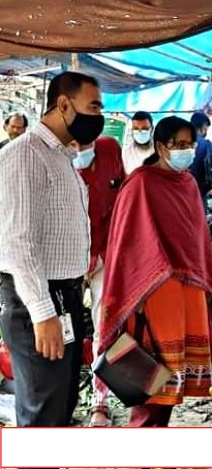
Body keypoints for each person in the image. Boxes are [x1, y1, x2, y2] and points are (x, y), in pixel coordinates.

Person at [97, 116, 212, 427]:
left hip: (188, 290)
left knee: (171, 384)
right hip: (152, 293)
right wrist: (137, 288)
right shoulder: (140, 183)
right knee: (149, 381)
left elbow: (197, 239)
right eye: (178, 145)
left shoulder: (188, 183)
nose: (186, 151)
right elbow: (126, 244)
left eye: (190, 144)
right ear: (161, 146)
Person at [0, 71, 104, 426]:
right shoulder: (25, 154)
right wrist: (43, 314)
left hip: (65, 297)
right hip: (38, 302)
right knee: (43, 409)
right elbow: (16, 243)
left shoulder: (61, 155)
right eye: (93, 106)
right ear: (63, 104)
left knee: (60, 403)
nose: (98, 117)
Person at [71, 136, 126, 427]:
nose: (80, 151)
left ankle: (99, 402)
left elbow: (122, 199)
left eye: (85, 143)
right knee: (66, 330)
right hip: (65, 257)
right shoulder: (53, 158)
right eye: (74, 145)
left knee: (105, 327)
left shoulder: (109, 150)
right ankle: (63, 397)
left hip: (106, 253)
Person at [188, 112, 212, 200]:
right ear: (202, 128)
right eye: (206, 130)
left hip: (182, 191)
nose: (206, 132)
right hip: (199, 191)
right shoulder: (206, 145)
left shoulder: (180, 143)